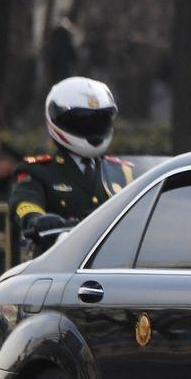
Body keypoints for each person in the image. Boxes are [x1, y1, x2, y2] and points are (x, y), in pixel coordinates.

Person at [10, 76, 133, 253]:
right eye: (82, 121)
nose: (92, 128)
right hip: (60, 260)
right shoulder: (37, 170)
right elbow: (24, 203)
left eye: (99, 121)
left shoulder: (123, 170)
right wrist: (37, 219)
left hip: (117, 260)